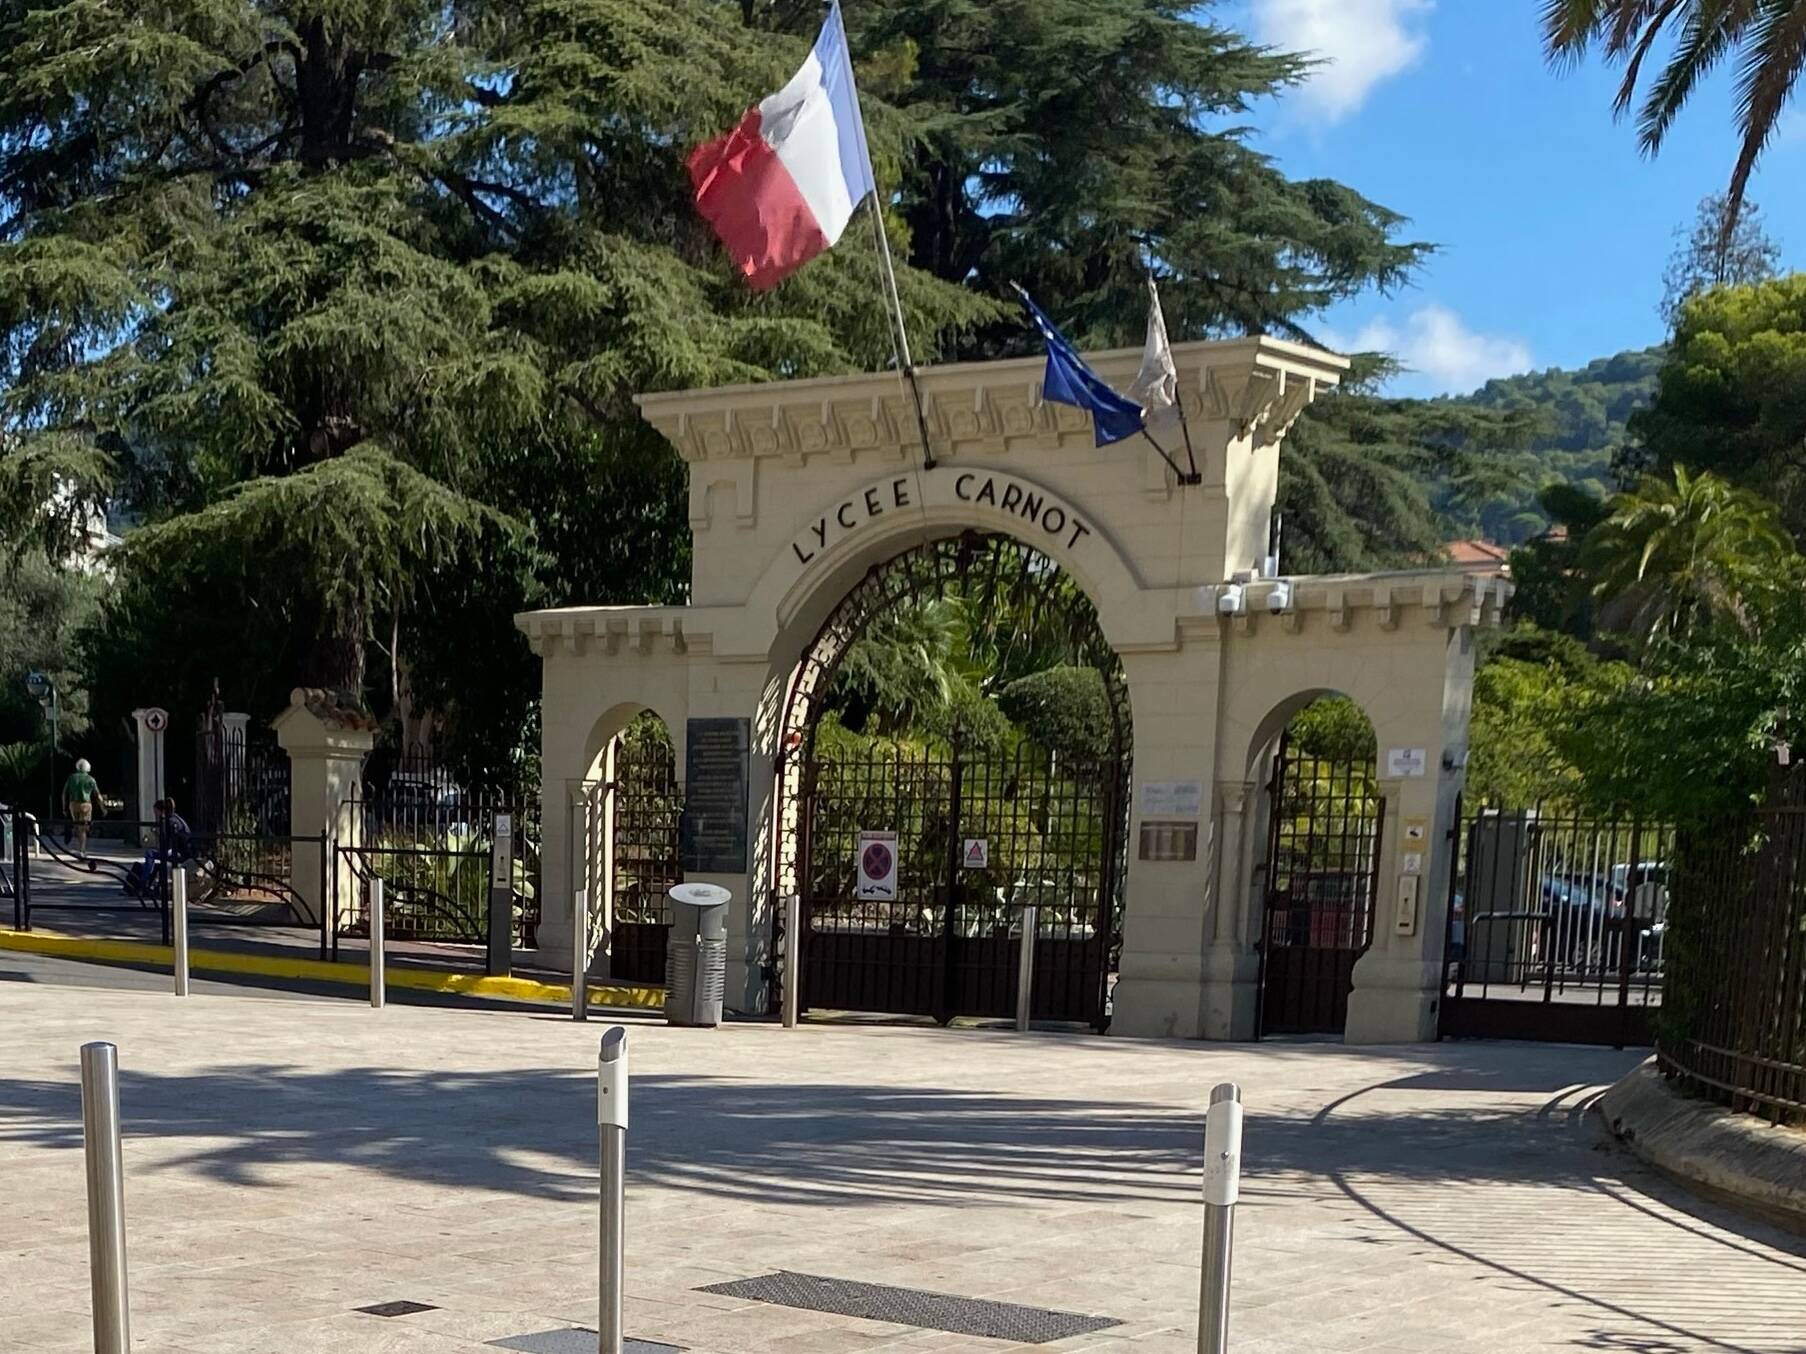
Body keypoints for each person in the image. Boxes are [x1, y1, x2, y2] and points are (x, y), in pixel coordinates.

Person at [127, 798, 194, 898]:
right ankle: (148, 878)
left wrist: (157, 833)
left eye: (156, 812)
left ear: (161, 811)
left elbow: (166, 846)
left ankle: (143, 881)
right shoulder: (176, 818)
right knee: (154, 857)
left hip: (180, 853)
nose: (155, 816)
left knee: (149, 854)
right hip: (185, 851)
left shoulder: (168, 822)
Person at [62, 758, 100, 857]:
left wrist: (64, 808)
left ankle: (78, 844)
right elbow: (97, 795)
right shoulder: (90, 779)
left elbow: (64, 793)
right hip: (86, 804)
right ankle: (82, 850)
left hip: (73, 804)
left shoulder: (71, 778)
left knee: (77, 825)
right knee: (83, 828)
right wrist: (103, 808)